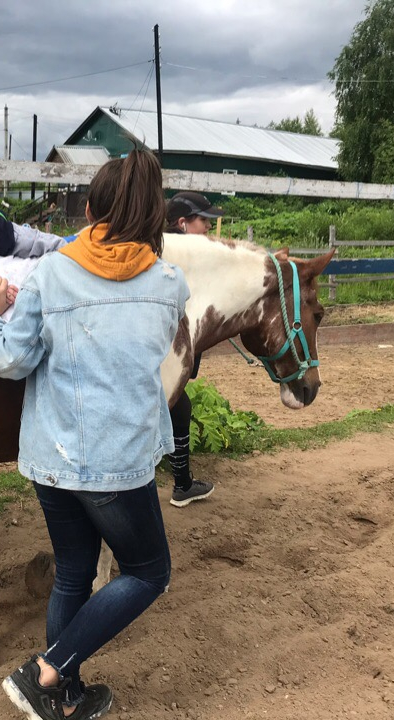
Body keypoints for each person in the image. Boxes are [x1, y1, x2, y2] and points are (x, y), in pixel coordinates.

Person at [0, 150, 189, 720]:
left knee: (74, 570)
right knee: (149, 572)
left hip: (51, 456)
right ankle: (48, 670)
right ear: (151, 215)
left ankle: (62, 696)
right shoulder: (170, 284)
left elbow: (8, 362)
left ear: (90, 208)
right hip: (117, 464)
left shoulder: (48, 273)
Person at [163, 191, 223, 507]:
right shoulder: (174, 258)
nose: (208, 229)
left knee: (180, 405)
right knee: (176, 405)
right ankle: (181, 484)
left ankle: (182, 484)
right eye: (204, 221)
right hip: (161, 351)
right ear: (184, 224)